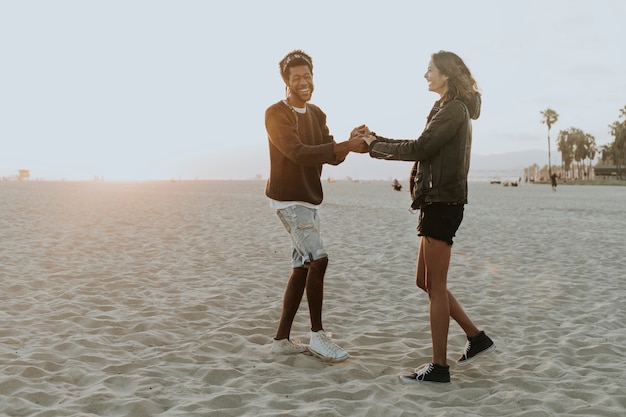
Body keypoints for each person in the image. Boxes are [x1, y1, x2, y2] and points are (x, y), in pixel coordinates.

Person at [361, 51, 495, 383]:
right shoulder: (443, 107)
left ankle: (439, 367)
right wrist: (374, 141)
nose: (425, 75)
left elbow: (420, 148)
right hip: (435, 202)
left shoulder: (452, 110)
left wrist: (375, 145)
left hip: (443, 204)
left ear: (446, 75)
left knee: (436, 286)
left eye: (430, 70)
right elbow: (418, 145)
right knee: (424, 281)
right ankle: (476, 338)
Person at [265, 50, 368, 362]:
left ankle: (282, 340)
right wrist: (344, 145)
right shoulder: (275, 114)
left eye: (307, 76)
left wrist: (349, 144)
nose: (303, 82)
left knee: (302, 267)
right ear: (286, 82)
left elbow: (331, 156)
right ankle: (318, 336)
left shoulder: (317, 114)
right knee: (319, 261)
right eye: (296, 78)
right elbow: (298, 152)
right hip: (288, 200)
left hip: (310, 200)